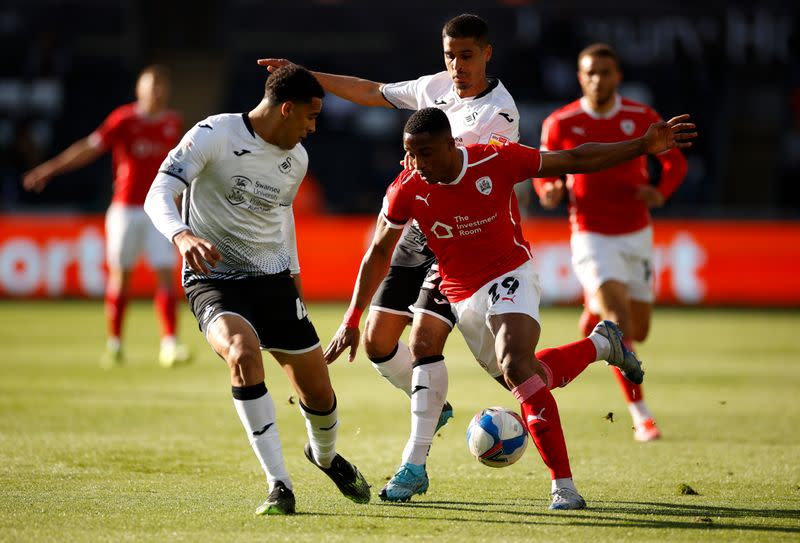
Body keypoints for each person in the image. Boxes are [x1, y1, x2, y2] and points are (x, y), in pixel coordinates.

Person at [325, 107, 695, 509]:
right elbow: (379, 251)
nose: (418, 164)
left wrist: (642, 145)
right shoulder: (407, 187)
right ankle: (600, 345)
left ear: (452, 144)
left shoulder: (494, 158)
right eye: (411, 154)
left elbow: (573, 159)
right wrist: (351, 318)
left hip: (509, 273)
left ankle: (563, 487)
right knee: (529, 377)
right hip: (457, 287)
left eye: (427, 153)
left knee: (506, 362)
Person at [258, 13, 521, 499]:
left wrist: (423, 158)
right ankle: (434, 404)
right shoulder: (436, 87)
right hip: (417, 229)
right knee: (379, 344)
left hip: (461, 235)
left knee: (470, 357)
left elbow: (468, 165)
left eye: (466, 55)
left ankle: (414, 466)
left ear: (487, 53)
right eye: (450, 55)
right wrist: (305, 75)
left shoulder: (499, 112)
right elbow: (372, 90)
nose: (457, 65)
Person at [143, 64, 370, 515]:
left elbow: (281, 222)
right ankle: (278, 485)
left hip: (273, 281)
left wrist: (296, 283)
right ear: (286, 109)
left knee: (319, 396)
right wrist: (181, 235)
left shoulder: (297, 161)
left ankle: (322, 456)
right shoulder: (213, 134)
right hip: (214, 279)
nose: (312, 128)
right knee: (242, 354)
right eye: (310, 117)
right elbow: (157, 192)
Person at [535, 43, 689, 442]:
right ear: (580, 76)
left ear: (617, 76)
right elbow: (541, 167)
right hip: (591, 235)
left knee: (639, 328)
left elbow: (674, 161)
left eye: (605, 72)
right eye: (590, 72)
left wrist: (661, 191)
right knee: (621, 326)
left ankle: (591, 319)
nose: (597, 79)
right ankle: (642, 415)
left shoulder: (640, 117)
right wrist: (549, 187)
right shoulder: (561, 121)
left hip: (637, 233)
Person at [22, 65, 191, 368]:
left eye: (161, 85)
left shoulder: (173, 123)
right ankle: (115, 344)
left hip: (160, 209)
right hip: (125, 208)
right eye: (151, 85)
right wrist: (49, 169)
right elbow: (89, 147)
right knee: (121, 277)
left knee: (165, 274)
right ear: (139, 89)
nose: (156, 91)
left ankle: (170, 344)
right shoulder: (124, 120)